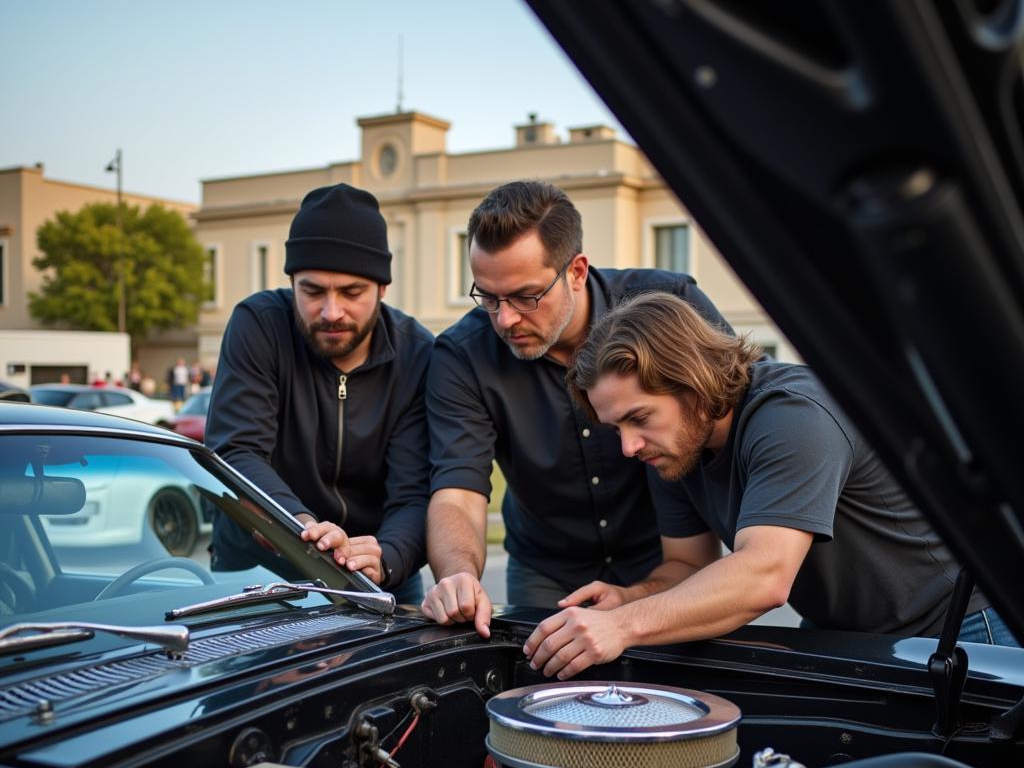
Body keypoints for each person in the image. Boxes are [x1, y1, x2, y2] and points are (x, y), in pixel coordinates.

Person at [522, 292, 1018, 679]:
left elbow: (763, 576)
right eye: (617, 428)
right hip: (846, 633)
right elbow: (687, 566)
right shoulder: (676, 448)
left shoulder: (793, 415)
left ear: (690, 383)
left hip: (964, 627)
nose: (628, 447)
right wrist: (629, 600)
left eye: (639, 418)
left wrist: (622, 628)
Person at [421, 180, 731, 636]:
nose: (505, 319)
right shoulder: (462, 355)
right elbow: (458, 491)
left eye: (526, 296)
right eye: (488, 297)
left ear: (577, 271)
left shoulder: (672, 306)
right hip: (546, 572)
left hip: (672, 559)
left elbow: (733, 419)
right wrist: (457, 573)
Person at [205, 183, 433, 601]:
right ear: (292, 281)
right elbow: (237, 449)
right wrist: (300, 527)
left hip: (377, 572)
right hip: (258, 570)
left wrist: (390, 555)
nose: (331, 312)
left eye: (351, 292)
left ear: (383, 288)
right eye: (312, 291)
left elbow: (415, 488)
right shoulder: (257, 325)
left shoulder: (418, 352)